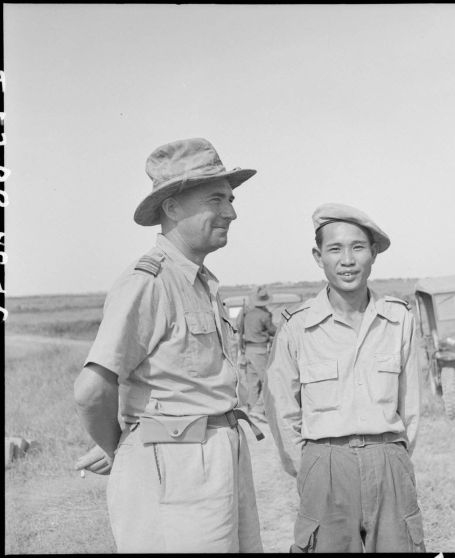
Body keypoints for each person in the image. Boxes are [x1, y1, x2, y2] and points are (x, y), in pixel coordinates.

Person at [73, 137, 264, 553]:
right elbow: (91, 391)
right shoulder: (149, 282)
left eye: (230, 200)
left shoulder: (198, 283)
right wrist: (123, 448)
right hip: (178, 468)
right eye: (217, 199)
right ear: (172, 206)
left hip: (216, 455)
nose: (231, 212)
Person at [263, 203, 425, 553]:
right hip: (325, 463)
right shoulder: (297, 326)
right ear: (318, 256)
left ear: (373, 254)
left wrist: (392, 459)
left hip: (389, 462)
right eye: (335, 249)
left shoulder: (399, 319)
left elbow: (410, 404)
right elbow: (281, 410)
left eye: (358, 247)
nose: (347, 260)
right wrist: (311, 469)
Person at [238, 286, 277, 421]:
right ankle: (259, 409)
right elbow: (272, 330)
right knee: (268, 380)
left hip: (248, 350)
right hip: (260, 350)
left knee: (252, 381)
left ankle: (252, 409)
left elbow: (241, 329)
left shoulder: (247, 313)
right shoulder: (265, 315)